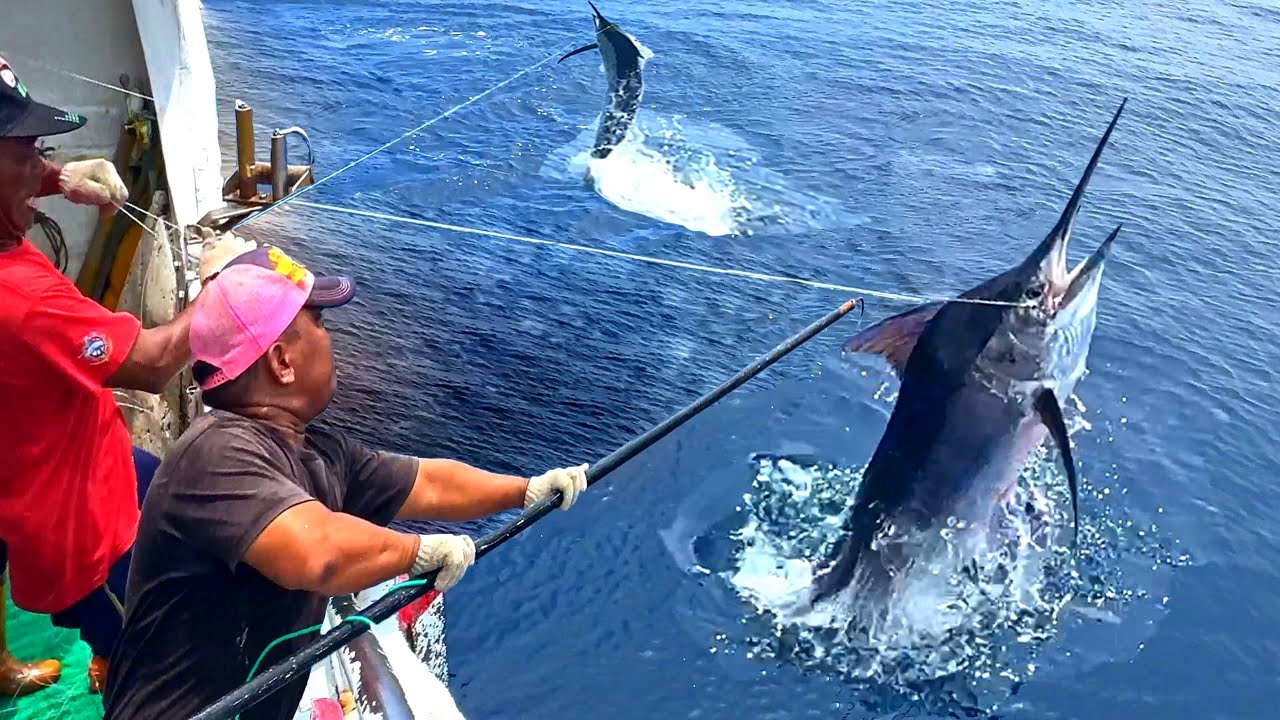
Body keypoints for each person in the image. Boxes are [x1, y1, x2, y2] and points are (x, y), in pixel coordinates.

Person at [102, 245, 591, 720]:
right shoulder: (216, 454)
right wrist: (415, 551)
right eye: (319, 323)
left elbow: (430, 483)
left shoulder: (316, 452)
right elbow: (319, 552)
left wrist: (525, 489)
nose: (330, 336)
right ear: (282, 362)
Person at [0, 52, 240, 694]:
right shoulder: (26, 303)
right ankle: (121, 664)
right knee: (153, 661)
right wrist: (229, 293)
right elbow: (157, 364)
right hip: (80, 531)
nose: (39, 162)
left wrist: (54, 179)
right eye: (27, 152)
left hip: (75, 458)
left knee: (167, 491)